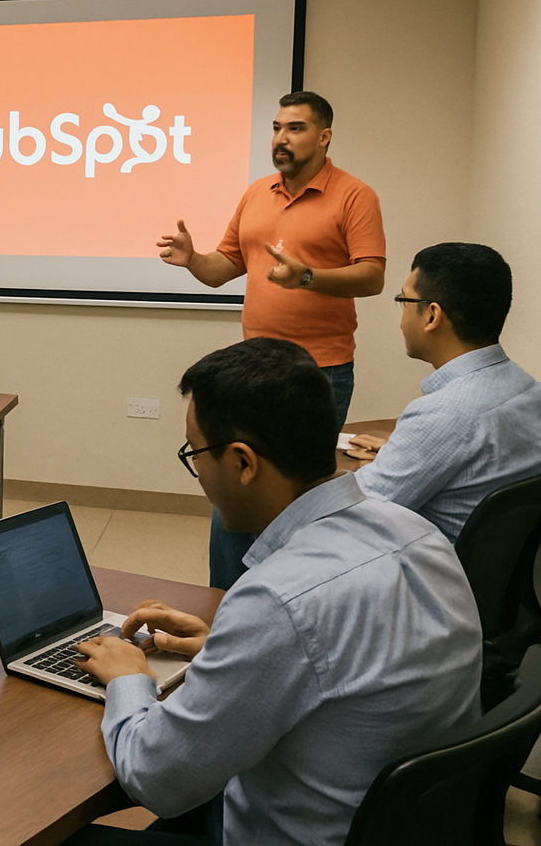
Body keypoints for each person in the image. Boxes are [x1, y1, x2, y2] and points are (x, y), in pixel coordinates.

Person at [66, 338, 481, 846]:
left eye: (195, 454)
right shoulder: (419, 533)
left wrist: (129, 678)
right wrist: (228, 644)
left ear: (243, 463)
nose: (197, 472)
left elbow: (156, 779)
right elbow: (343, 659)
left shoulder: (279, 600)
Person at [156, 91, 386, 589]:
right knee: (233, 493)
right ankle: (225, 606)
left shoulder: (354, 195)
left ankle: (291, 598)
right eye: (277, 127)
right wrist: (194, 259)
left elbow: (372, 277)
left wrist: (309, 278)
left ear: (324, 137)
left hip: (319, 373)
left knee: (297, 501)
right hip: (252, 371)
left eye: (295, 128)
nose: (281, 138)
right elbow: (224, 268)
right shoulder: (257, 193)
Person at [350, 243, 541, 542]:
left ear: (431, 316)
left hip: (430, 579)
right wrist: (398, 456)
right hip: (502, 583)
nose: (402, 320)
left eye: (405, 301)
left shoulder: (441, 415)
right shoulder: (530, 391)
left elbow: (350, 515)